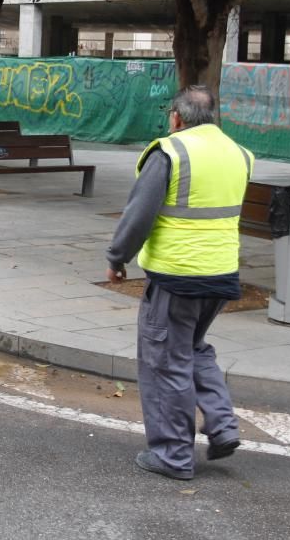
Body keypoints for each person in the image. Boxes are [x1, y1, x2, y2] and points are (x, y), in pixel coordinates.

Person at [106, 85, 253, 481]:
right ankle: (222, 426)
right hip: (221, 275)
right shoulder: (239, 154)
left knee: (165, 362)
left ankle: (172, 455)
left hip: (177, 277)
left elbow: (140, 215)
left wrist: (117, 258)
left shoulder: (170, 152)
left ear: (176, 117)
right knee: (194, 349)